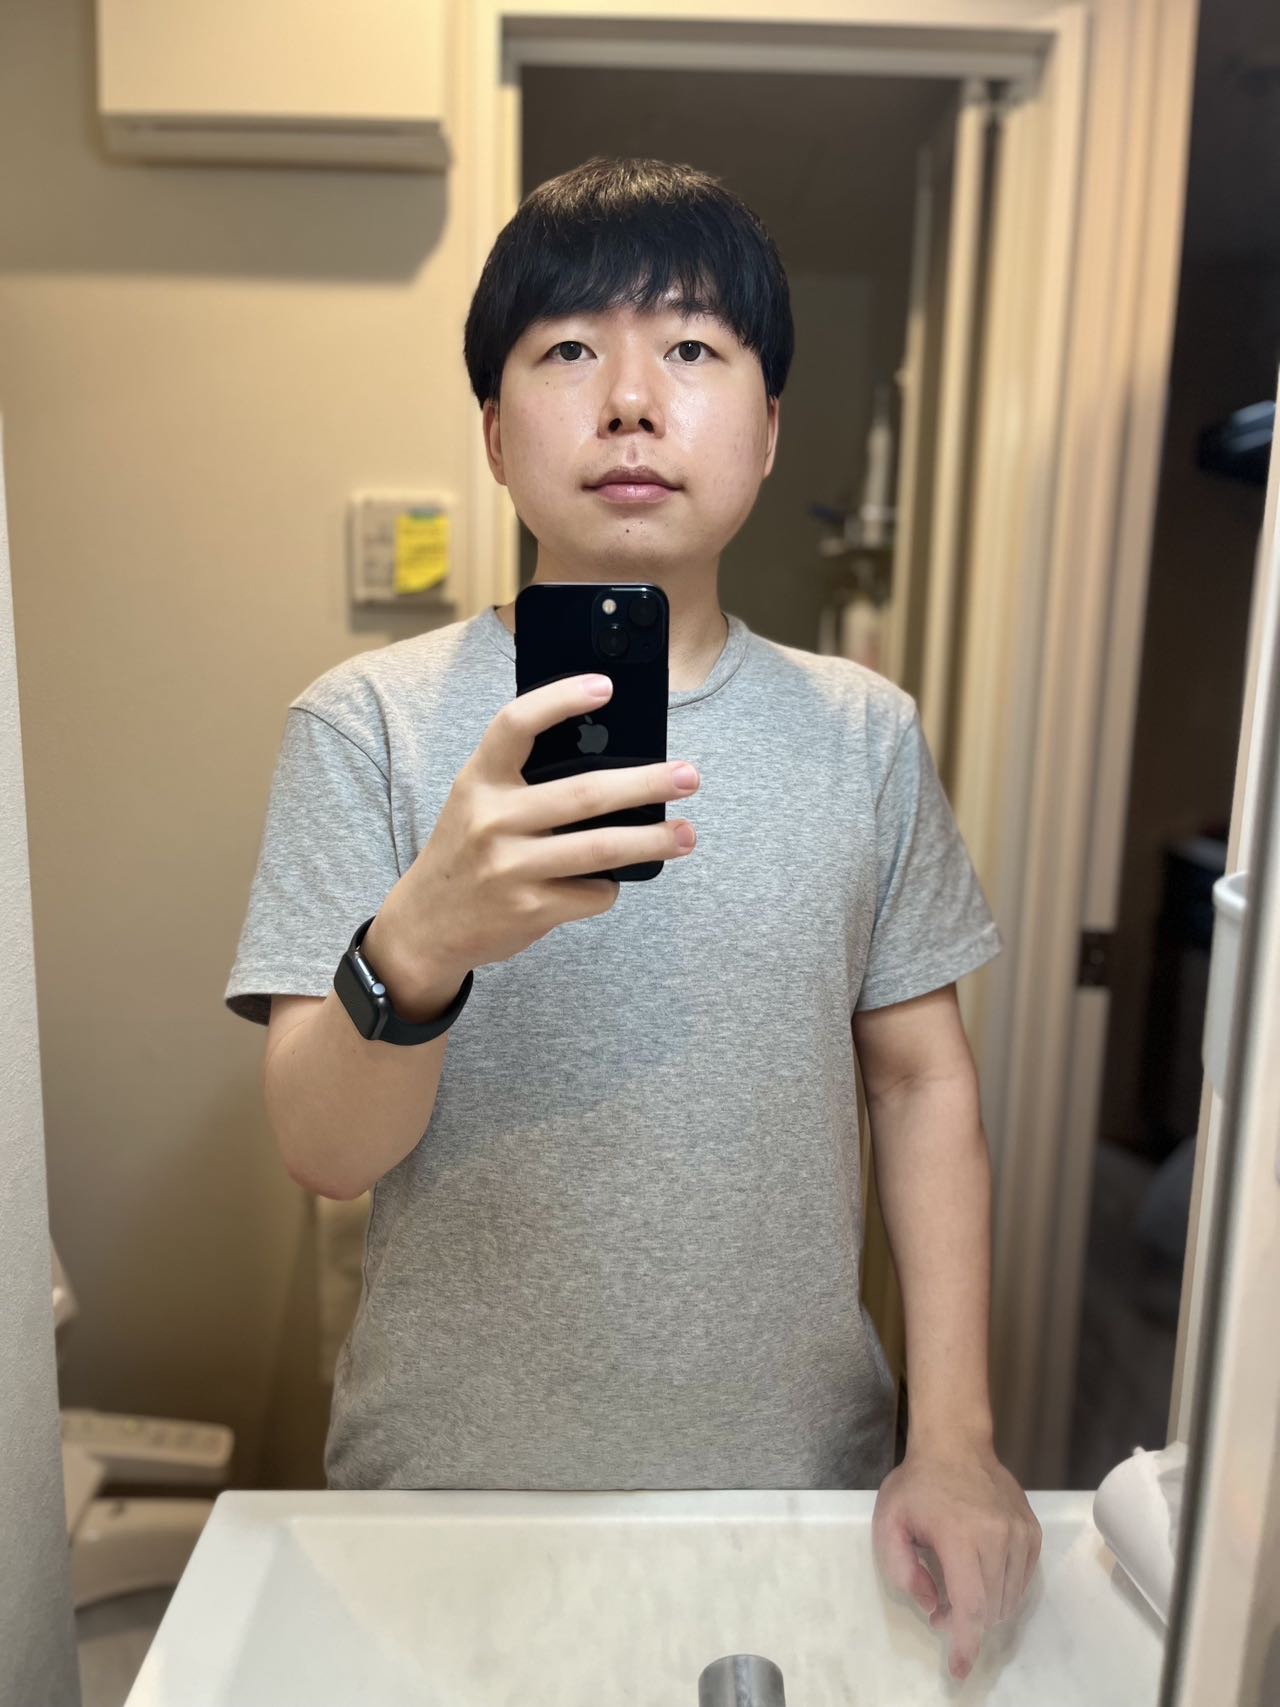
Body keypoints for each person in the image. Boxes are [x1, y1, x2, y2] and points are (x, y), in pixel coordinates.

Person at [225, 155, 1041, 1681]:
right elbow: (324, 1152)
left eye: (692, 348)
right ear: (494, 431)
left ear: (769, 426)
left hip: (797, 1483)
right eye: (567, 350)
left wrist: (957, 1437)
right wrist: (423, 942)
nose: (629, 402)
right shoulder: (370, 728)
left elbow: (922, 1083)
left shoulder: (864, 735)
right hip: (445, 1500)